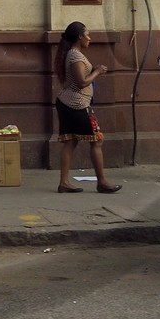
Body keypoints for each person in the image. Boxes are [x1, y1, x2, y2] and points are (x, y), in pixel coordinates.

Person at [53, 21, 120, 194]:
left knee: (71, 141)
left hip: (68, 103)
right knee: (97, 139)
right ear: (79, 37)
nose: (90, 38)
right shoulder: (75, 56)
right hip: (76, 104)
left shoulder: (71, 54)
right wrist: (97, 71)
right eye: (87, 35)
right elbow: (82, 82)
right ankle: (102, 182)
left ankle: (64, 182)